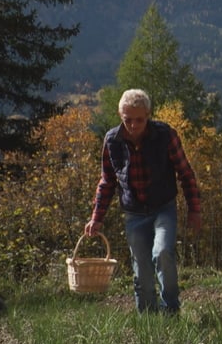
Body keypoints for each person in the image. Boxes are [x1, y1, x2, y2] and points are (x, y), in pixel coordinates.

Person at [86, 88, 202, 314]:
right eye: (128, 120)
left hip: (163, 209)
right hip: (134, 213)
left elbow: (185, 173)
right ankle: (148, 318)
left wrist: (194, 210)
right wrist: (96, 218)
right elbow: (107, 182)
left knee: (163, 253)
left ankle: (171, 311)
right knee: (142, 271)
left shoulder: (165, 135)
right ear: (121, 116)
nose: (133, 125)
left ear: (148, 115)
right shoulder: (112, 141)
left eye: (139, 120)